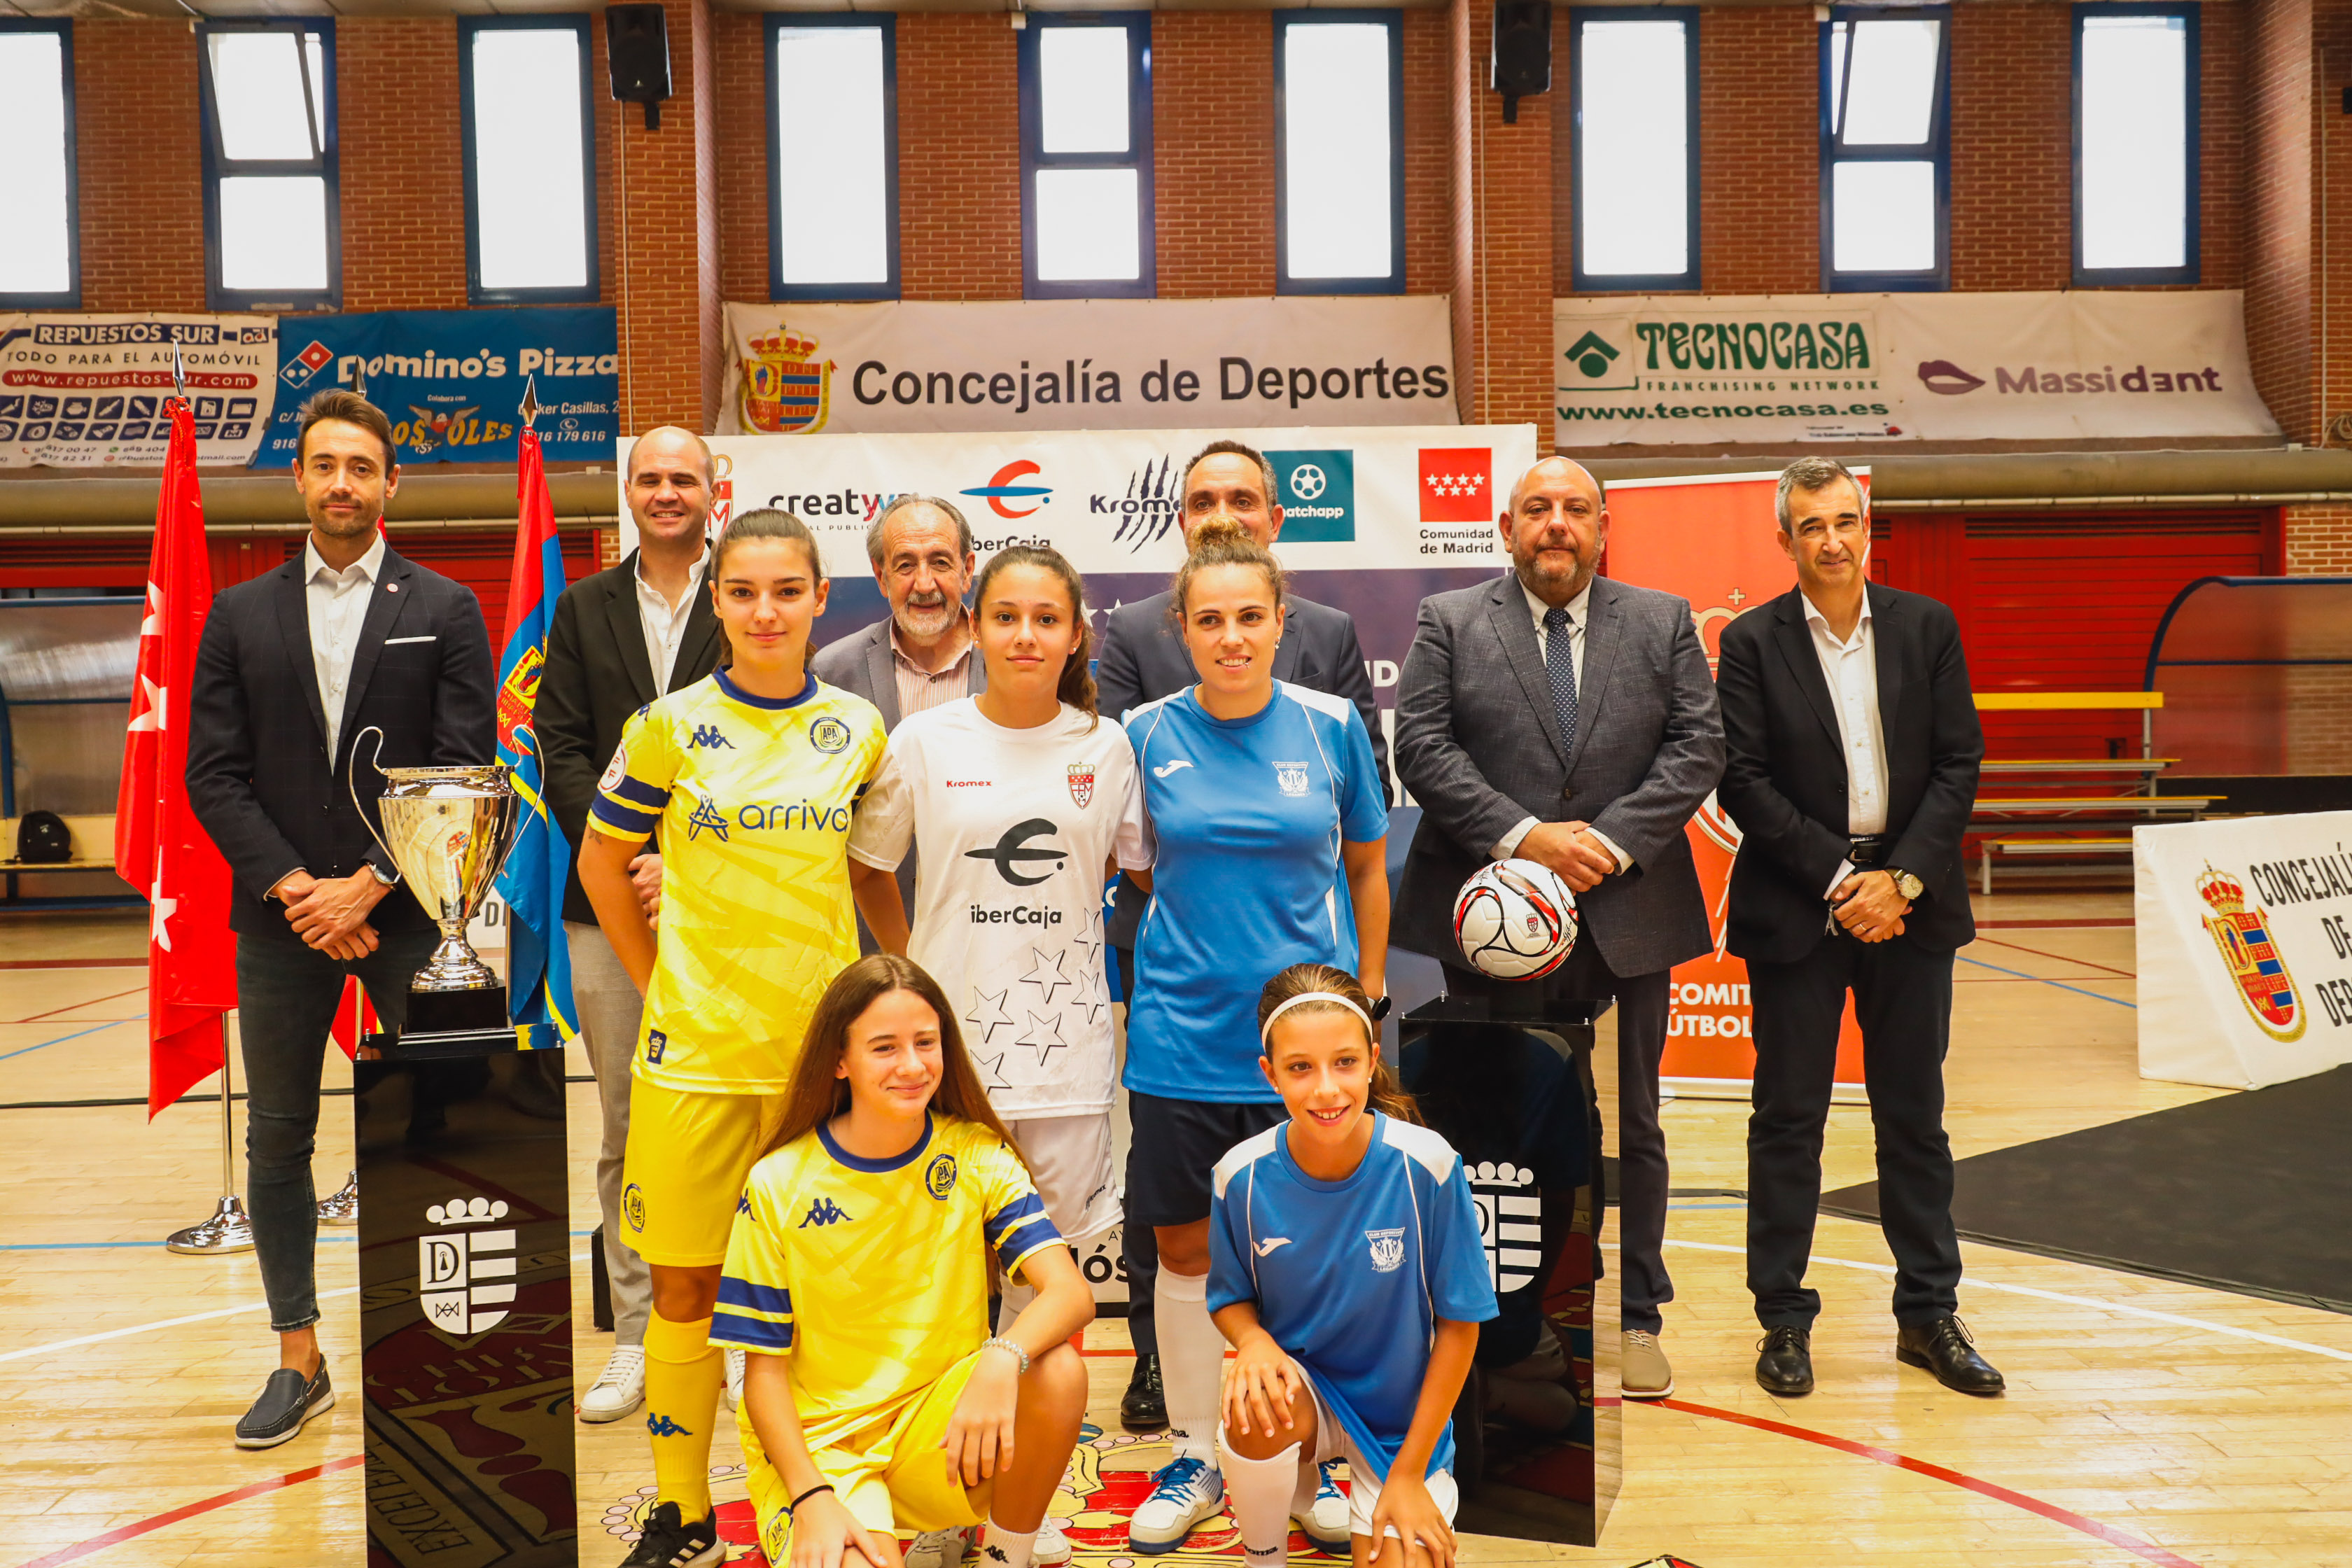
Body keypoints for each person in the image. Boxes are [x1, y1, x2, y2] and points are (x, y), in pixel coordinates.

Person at [580, 508, 891, 1567]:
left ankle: (822, 1498)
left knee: (819, 1298)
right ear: (716, 601)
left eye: (787, 591)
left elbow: (868, 874)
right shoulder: (665, 726)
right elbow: (601, 865)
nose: (765, 611)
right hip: (697, 1064)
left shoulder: (858, 727)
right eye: (744, 592)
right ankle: (683, 1516)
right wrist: (657, 981)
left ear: (820, 599)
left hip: (818, 1068)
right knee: (685, 1290)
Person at [186, 388, 495, 1449]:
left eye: (361, 467)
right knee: (278, 1137)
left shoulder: (446, 606)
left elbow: (461, 764)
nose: (342, 483)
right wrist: (298, 890)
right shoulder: (238, 614)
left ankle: (440, 1349)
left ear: (390, 483)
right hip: (282, 922)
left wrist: (368, 882)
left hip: (409, 916)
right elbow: (213, 773)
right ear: (300, 478)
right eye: (324, 465)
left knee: (443, 1128)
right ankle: (299, 1356)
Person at [1392, 455, 1723, 1403]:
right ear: (1507, 528)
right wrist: (1527, 838)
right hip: (1492, 916)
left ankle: (1637, 1314)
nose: (1557, 524)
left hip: (1631, 909)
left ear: (1603, 528)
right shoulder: (1451, 620)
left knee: (1636, 1118)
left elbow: (1699, 744)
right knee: (1504, 1119)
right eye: (1537, 508)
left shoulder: (1661, 620)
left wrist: (1606, 845)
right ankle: (1507, 1317)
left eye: (1577, 509)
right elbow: (1421, 745)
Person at [845, 545, 1150, 1568]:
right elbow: (871, 865)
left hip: (1066, 1060)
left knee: (1043, 1298)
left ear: (1075, 635)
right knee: (940, 1290)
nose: (1026, 635)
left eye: (1046, 619)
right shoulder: (923, 740)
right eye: (1007, 616)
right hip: (947, 1063)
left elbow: (1132, 870)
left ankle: (1025, 1500)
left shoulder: (1107, 747)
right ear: (974, 628)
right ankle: (938, 1494)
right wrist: (910, 974)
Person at [1094, 438, 1389, 1443]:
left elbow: (1366, 868)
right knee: (1183, 1255)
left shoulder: (1331, 725)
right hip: (1180, 1039)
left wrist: (1365, 994)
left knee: (1308, 1252)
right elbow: (1139, 868)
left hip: (1306, 1047)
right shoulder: (1143, 733)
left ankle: (1314, 1454)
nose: (1231, 637)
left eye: (1250, 618)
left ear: (1280, 621)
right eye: (1210, 620)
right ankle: (1191, 1450)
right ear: (1181, 627)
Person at [1714, 457, 1999, 1399]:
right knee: (1787, 1120)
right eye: (1811, 525)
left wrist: (1901, 879)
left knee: (1913, 1117)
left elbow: (1959, 761)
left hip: (1912, 903)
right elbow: (1741, 778)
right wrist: (1845, 882)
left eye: (1845, 520)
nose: (1831, 540)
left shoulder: (1927, 626)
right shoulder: (1751, 642)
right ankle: (1783, 1321)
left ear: (1867, 525)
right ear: (1784, 538)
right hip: (1801, 903)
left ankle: (1928, 1314)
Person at [715, 955, 1093, 1568]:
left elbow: (1070, 1292)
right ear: (840, 1061)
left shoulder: (974, 1154)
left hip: (939, 1426)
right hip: (825, 1451)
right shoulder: (777, 1183)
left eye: (926, 1042)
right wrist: (810, 1495)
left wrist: (1002, 1358)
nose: (913, 1066)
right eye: (885, 1048)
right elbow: (762, 1377)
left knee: (1057, 1372)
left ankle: (1005, 1556)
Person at [537, 424, 725, 1424]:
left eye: (682, 478)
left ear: (712, 490)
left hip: (732, 901)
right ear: (628, 489)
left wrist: (683, 857)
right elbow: (559, 745)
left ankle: (732, 1335)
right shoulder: (581, 607)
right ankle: (636, 1335)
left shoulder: (746, 593)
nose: (665, 492)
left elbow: (761, 741)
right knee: (628, 1121)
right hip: (607, 908)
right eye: (649, 478)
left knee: (735, 1116)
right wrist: (622, 854)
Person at [1210, 965, 1497, 1568]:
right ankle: (1265, 1555)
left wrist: (1409, 1476)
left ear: (1372, 1061)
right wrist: (1252, 1340)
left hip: (1400, 1426)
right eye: (1300, 1068)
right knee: (1250, 1407)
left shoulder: (1429, 1165)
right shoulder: (1240, 1175)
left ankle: (1385, 1487)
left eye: (1344, 1063)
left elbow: (1461, 1326)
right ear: (1269, 1074)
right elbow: (1229, 1296)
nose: (1326, 1090)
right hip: (1304, 1398)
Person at [813, 495, 988, 951]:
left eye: (941, 562)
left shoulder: (1011, 662)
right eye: (905, 565)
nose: (924, 583)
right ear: (880, 576)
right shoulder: (833, 672)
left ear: (967, 569)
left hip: (991, 930)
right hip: (866, 943)